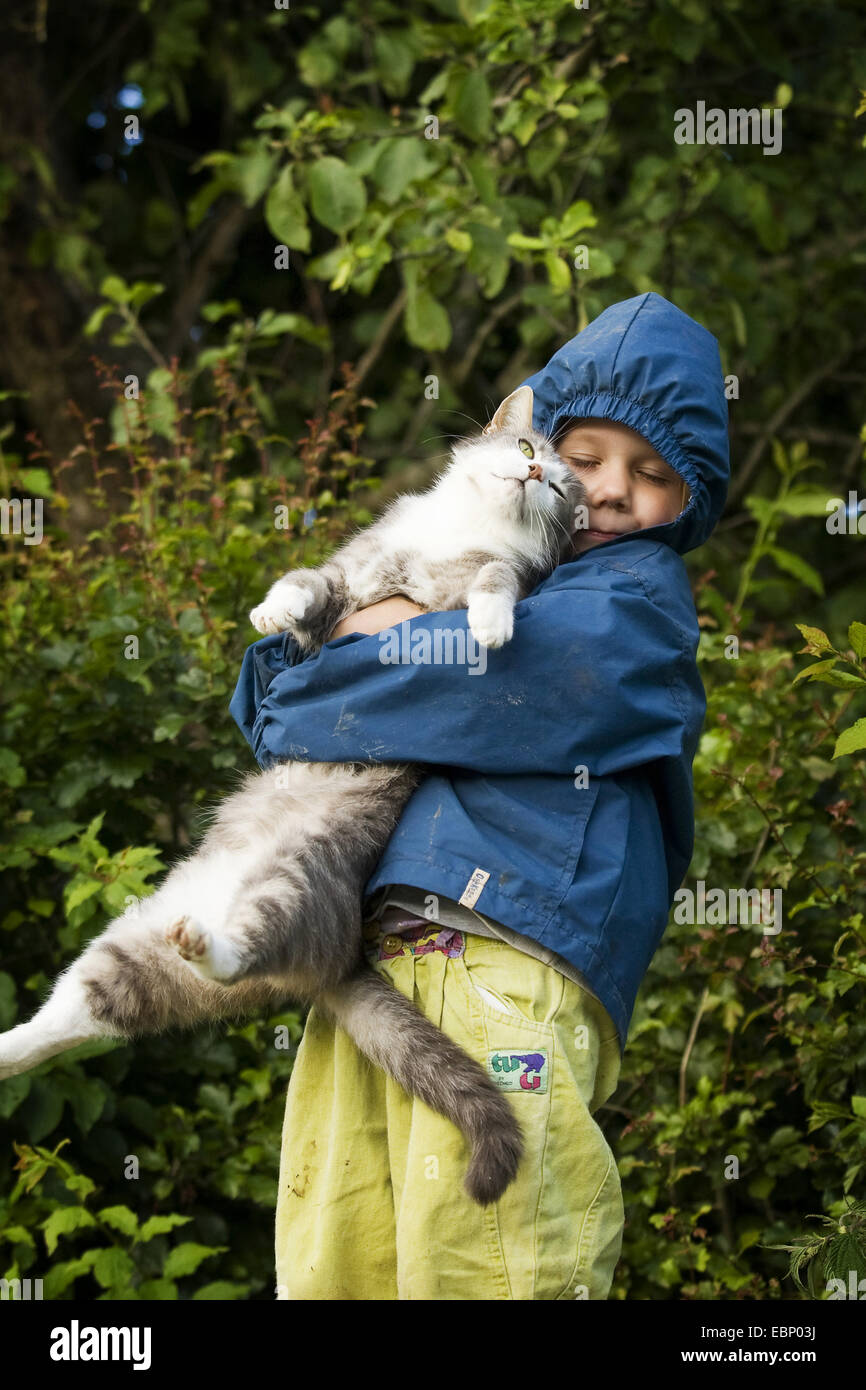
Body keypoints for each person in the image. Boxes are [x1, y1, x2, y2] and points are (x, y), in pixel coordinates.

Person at [229, 290, 730, 1300]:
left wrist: (359, 640)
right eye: (584, 456)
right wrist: (335, 654)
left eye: (651, 475)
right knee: (336, 1263)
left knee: (490, 1265)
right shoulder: (496, 561)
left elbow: (442, 686)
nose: (607, 492)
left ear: (688, 504)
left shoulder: (631, 608)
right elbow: (266, 688)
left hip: (504, 965)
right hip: (374, 974)